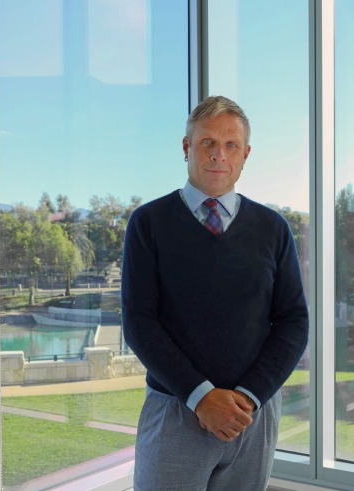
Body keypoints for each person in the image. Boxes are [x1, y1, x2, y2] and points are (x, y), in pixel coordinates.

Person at [121, 95, 309, 490]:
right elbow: (139, 322)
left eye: (230, 145)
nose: (217, 155)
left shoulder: (273, 228)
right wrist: (202, 398)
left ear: (245, 155)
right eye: (207, 142)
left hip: (250, 417)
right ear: (187, 148)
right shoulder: (148, 223)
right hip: (175, 410)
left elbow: (293, 322)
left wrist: (249, 397)